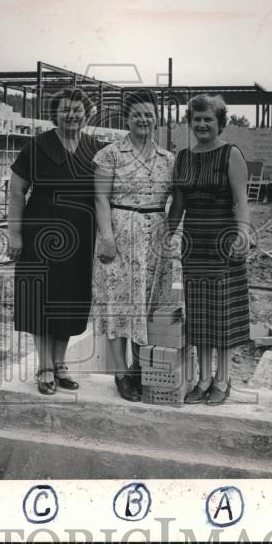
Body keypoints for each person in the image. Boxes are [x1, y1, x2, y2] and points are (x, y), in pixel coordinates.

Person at [7, 88, 99, 395]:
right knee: (42, 301)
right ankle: (44, 366)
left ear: (88, 114)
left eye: (78, 110)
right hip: (41, 233)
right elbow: (17, 191)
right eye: (65, 110)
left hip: (81, 238)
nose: (72, 115)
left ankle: (60, 364)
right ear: (54, 114)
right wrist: (15, 233)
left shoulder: (95, 148)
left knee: (70, 300)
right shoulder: (38, 146)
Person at [166, 94, 252, 405]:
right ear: (190, 123)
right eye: (197, 119)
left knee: (221, 313)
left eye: (208, 119)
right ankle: (202, 380)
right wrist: (167, 233)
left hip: (222, 240)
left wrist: (243, 232)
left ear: (220, 123)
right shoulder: (184, 158)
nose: (202, 124)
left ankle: (223, 379)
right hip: (194, 242)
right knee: (200, 314)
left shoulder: (231, 154)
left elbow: (241, 200)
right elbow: (178, 204)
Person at [93, 90, 178, 401]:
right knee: (118, 305)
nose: (143, 119)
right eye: (137, 114)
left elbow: (178, 199)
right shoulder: (110, 154)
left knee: (147, 305)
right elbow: (101, 197)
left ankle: (140, 369)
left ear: (157, 118)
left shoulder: (168, 159)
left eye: (148, 114)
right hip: (119, 234)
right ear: (126, 119)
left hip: (154, 238)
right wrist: (107, 238)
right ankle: (120, 371)